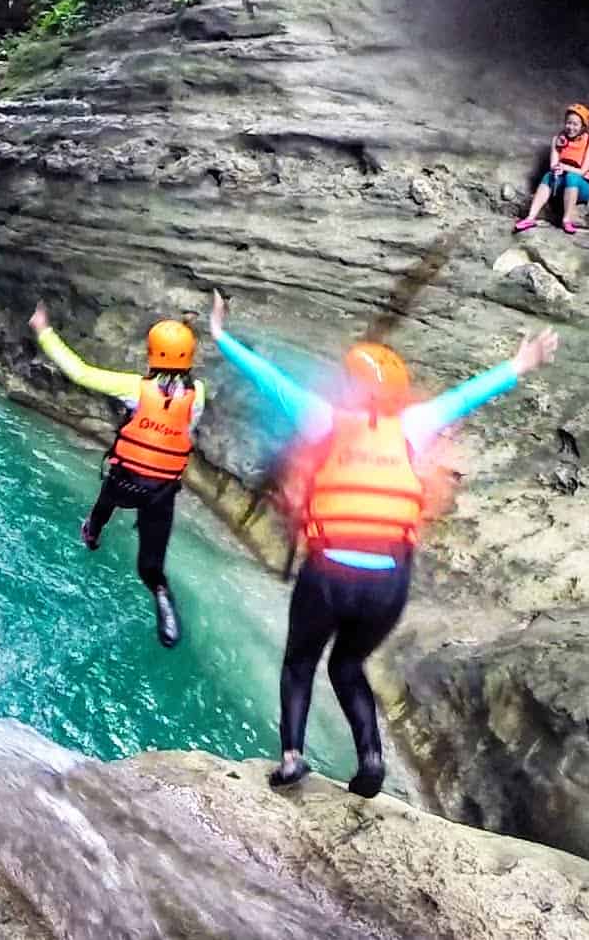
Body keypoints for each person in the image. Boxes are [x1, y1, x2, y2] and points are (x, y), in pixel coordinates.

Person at [208, 290, 558, 798]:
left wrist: (220, 335)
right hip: (388, 582)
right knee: (348, 664)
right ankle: (371, 757)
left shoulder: (322, 417)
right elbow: (468, 395)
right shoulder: (414, 426)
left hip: (329, 573)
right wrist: (520, 364)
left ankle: (291, 758)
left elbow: (268, 379)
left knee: (300, 663)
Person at [29, 303, 205, 648]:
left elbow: (79, 372)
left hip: (126, 483)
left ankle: (92, 532)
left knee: (106, 498)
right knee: (150, 568)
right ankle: (162, 597)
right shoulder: (197, 395)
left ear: (151, 354)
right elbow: (181, 411)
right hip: (161, 493)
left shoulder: (135, 388)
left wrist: (43, 330)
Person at [514, 102, 589, 235]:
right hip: (561, 184)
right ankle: (530, 217)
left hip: (581, 186)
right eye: (569, 123)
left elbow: (583, 171)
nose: (571, 127)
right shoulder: (557, 140)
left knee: (572, 177)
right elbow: (553, 164)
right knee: (548, 175)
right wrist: (556, 169)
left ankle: (567, 220)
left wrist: (565, 167)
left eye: (575, 124)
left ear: (583, 126)